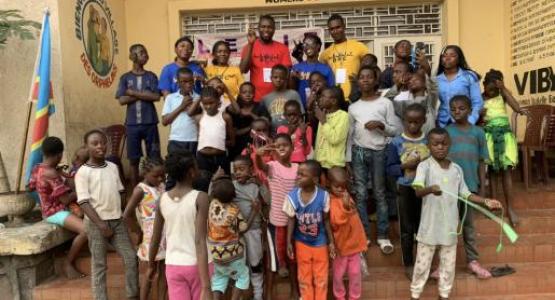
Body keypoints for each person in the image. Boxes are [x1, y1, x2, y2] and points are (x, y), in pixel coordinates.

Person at [410, 128, 502, 300]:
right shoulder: (425, 166)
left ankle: (444, 295)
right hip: (429, 227)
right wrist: (430, 189)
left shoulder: (456, 170)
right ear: (428, 146)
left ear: (449, 144)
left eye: (444, 143)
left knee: (448, 266)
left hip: (450, 228)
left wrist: (485, 201)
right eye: (435, 144)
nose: (440, 147)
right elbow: (417, 191)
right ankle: (415, 295)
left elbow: (466, 194)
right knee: (422, 266)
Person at [76, 130, 138, 300]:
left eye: (102, 142)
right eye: (94, 143)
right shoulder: (83, 172)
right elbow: (83, 202)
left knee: (131, 258)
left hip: (117, 221)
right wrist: (101, 225)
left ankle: (132, 295)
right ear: (86, 147)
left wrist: (124, 216)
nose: (100, 146)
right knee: (99, 265)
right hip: (96, 224)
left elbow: (121, 191)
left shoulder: (112, 167)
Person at [148, 149, 212, 300]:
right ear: (191, 172)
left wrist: (151, 265)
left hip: (173, 266)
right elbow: (199, 240)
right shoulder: (201, 198)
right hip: (198, 266)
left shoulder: (162, 199)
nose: (198, 170)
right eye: (196, 167)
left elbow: (155, 238)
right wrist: (206, 286)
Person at [346, 66, 397, 254]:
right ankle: (364, 235)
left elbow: (394, 130)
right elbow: (350, 135)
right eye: (362, 77)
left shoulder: (385, 103)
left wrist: (380, 125)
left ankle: (383, 236)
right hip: (359, 152)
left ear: (376, 81)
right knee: (360, 194)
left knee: (379, 193)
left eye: (369, 77)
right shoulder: (353, 107)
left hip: (379, 152)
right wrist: (348, 160)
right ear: (358, 82)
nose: (365, 80)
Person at [444, 95, 492, 279]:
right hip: (449, 188)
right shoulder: (446, 132)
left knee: (469, 226)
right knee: (448, 226)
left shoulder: (478, 133)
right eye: (453, 108)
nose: (457, 112)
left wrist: (482, 188)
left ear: (470, 110)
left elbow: (482, 162)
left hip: (470, 187)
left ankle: (473, 261)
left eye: (461, 108)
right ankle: (445, 263)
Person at [28, 137, 87, 279]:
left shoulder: (37, 168)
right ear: (59, 155)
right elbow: (66, 199)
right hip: (55, 212)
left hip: (48, 209)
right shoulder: (51, 173)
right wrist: (82, 191)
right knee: (86, 230)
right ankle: (68, 264)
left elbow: (29, 187)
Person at [386, 104, 430, 279]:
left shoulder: (428, 141)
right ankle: (409, 263)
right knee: (406, 228)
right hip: (404, 188)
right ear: (403, 121)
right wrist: (406, 166)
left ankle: (422, 263)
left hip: (424, 190)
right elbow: (390, 169)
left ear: (424, 121)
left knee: (423, 227)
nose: (412, 126)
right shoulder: (396, 142)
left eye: (416, 122)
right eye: (409, 122)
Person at [255, 134, 299, 298]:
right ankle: (269, 294)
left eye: (285, 145)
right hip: (276, 222)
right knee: (272, 263)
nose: (281, 148)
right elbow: (261, 166)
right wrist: (259, 155)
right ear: (273, 149)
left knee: (292, 259)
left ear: (292, 148)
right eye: (278, 145)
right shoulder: (272, 166)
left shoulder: (297, 168)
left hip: (293, 222)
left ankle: (295, 291)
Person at [284, 160, 335, 300]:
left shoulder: (324, 196)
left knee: (321, 277)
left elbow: (326, 220)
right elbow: (291, 219)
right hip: (301, 243)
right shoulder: (292, 196)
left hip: (320, 242)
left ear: (314, 179)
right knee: (304, 277)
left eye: (302, 174)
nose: (298, 177)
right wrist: (289, 241)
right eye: (298, 174)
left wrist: (331, 242)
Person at [207, 173, 260, 300]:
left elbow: (210, 195)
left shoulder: (212, 204)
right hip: (232, 255)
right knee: (242, 276)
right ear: (234, 196)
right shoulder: (234, 210)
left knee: (219, 278)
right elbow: (244, 228)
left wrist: (213, 179)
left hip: (215, 254)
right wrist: (254, 211)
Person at [115, 44, 161, 187]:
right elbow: (122, 100)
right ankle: (136, 192)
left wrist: (133, 93)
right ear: (133, 56)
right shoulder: (125, 78)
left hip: (150, 123)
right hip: (132, 124)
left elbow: (156, 97)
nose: (145, 55)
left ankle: (154, 190)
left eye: (146, 52)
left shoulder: (151, 76)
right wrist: (144, 95)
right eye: (141, 53)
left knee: (153, 158)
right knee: (133, 161)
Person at [482, 69, 524, 226]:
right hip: (489, 138)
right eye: (490, 88)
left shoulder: (502, 95)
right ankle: (495, 207)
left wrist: (504, 89)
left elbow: (517, 108)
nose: (492, 92)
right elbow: (476, 118)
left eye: (496, 89)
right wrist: (481, 118)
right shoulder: (479, 98)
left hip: (505, 138)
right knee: (492, 172)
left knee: (506, 173)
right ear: (484, 85)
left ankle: (510, 209)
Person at [122, 158, 167, 300]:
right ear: (144, 173)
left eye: (162, 175)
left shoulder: (161, 186)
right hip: (151, 236)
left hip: (165, 234)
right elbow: (127, 215)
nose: (160, 178)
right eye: (156, 176)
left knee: (164, 272)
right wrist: (138, 230)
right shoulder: (140, 190)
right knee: (151, 270)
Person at [231, 156, 269, 300]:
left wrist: (260, 184)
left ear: (251, 170)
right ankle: (241, 293)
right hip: (237, 233)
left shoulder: (255, 186)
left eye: (242, 169)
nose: (238, 172)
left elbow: (268, 200)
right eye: (235, 170)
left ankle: (258, 294)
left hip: (254, 231)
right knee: (240, 263)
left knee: (255, 262)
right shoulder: (232, 186)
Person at [328, 167, 368, 300]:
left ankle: (354, 297)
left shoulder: (347, 196)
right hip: (341, 246)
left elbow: (355, 216)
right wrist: (345, 208)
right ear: (329, 184)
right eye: (336, 186)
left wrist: (349, 206)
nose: (340, 189)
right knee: (338, 275)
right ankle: (339, 296)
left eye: (343, 186)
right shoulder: (331, 201)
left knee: (355, 273)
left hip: (354, 245)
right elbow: (336, 221)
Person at [240, 14, 292, 100]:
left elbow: (286, 75)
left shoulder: (283, 48)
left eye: (269, 27)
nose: (266, 30)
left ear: (274, 29)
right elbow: (243, 70)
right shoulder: (249, 47)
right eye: (263, 27)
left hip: (278, 98)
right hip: (256, 99)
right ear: (258, 28)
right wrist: (250, 45)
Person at [320, 14, 368, 99]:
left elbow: (370, 68)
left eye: (338, 27)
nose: (335, 31)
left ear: (344, 27)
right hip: (335, 98)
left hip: (356, 94)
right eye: (332, 29)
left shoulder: (359, 46)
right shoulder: (325, 54)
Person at [189, 86, 235, 175]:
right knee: (204, 182)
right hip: (202, 157)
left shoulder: (226, 117)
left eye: (211, 102)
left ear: (218, 101)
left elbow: (232, 142)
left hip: (220, 156)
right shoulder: (199, 118)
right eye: (205, 103)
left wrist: (217, 143)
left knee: (222, 183)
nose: (208, 106)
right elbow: (200, 138)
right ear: (201, 103)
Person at [436, 45, 482, 128]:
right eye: (444, 55)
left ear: (459, 59)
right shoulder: (436, 79)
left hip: (465, 121)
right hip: (442, 123)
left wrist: (471, 120)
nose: (447, 58)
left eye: (452, 55)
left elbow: (477, 102)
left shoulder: (468, 77)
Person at [227, 82, 270, 160]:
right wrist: (250, 128)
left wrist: (250, 114)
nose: (247, 94)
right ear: (239, 94)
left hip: (257, 146)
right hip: (237, 147)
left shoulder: (260, 107)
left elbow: (267, 123)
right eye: (244, 92)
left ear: (254, 93)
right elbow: (233, 132)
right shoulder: (235, 108)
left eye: (250, 92)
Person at [290, 34, 335, 108]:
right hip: (301, 109)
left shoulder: (326, 69)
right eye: (305, 44)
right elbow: (292, 91)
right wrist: (292, 78)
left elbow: (331, 90)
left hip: (320, 108)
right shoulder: (296, 67)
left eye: (310, 43)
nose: (307, 47)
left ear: (318, 46)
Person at [313, 87, 349, 171]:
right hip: (320, 162)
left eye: (323, 96)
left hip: (334, 165)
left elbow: (334, 139)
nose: (320, 99)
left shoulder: (343, 116)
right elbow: (319, 140)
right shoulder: (323, 114)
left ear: (333, 101)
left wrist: (323, 121)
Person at [259, 64, 304, 131]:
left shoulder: (293, 94)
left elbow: (301, 116)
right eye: (275, 77)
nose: (278, 80)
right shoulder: (265, 98)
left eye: (282, 78)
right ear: (271, 78)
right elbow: (263, 120)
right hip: (272, 133)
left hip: (292, 132)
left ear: (286, 79)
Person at [243, 118, 274, 185]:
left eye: (264, 130)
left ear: (268, 132)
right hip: (254, 185)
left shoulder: (272, 149)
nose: (262, 133)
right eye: (258, 130)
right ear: (252, 134)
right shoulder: (247, 151)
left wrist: (272, 147)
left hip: (272, 183)